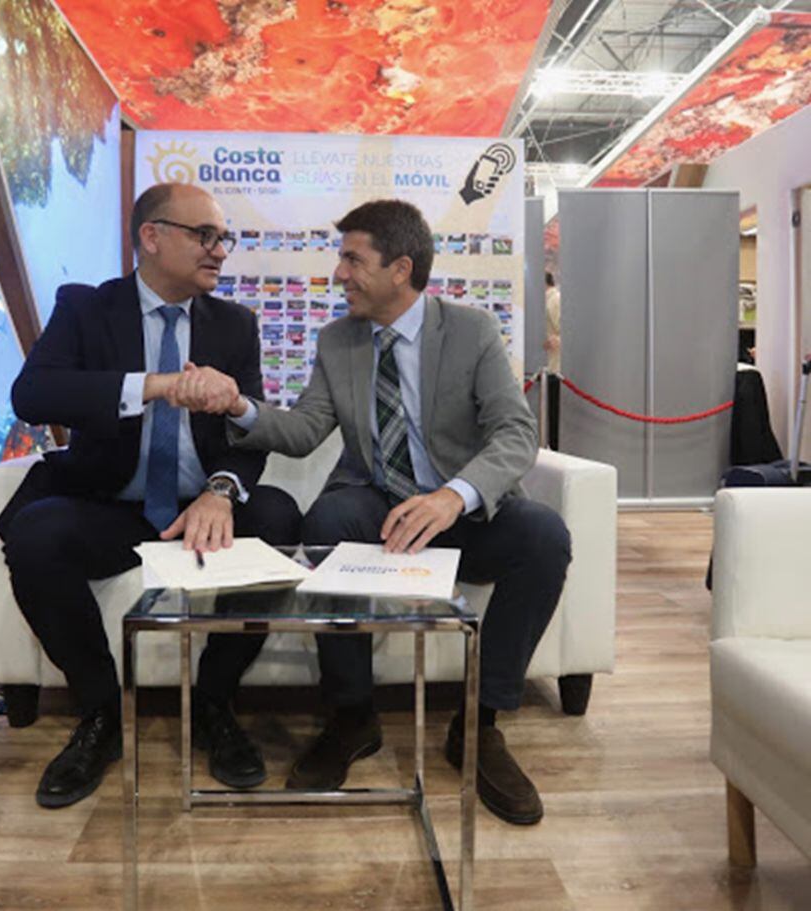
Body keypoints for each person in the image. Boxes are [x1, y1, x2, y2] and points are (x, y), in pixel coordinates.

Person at [188, 199, 571, 825]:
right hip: (376, 502)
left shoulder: (470, 330)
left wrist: (455, 496)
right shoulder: (338, 340)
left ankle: (478, 724)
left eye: (351, 259)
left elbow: (514, 434)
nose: (339, 273)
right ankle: (352, 715)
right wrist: (240, 409)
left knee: (544, 536)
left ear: (400, 268)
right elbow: (308, 428)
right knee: (327, 522)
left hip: (454, 509)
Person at [0, 182, 301, 809]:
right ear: (152, 237)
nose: (220, 251)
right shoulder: (86, 308)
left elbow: (251, 432)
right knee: (35, 534)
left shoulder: (235, 324)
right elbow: (34, 395)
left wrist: (220, 490)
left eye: (225, 238)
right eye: (205, 236)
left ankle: (213, 701)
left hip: (199, 510)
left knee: (279, 516)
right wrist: (154, 385)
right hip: (110, 506)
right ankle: (102, 713)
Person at [544, 271, 561, 449]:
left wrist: (558, 340)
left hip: (555, 370)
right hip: (549, 369)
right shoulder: (548, 301)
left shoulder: (554, 300)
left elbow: (568, 331)